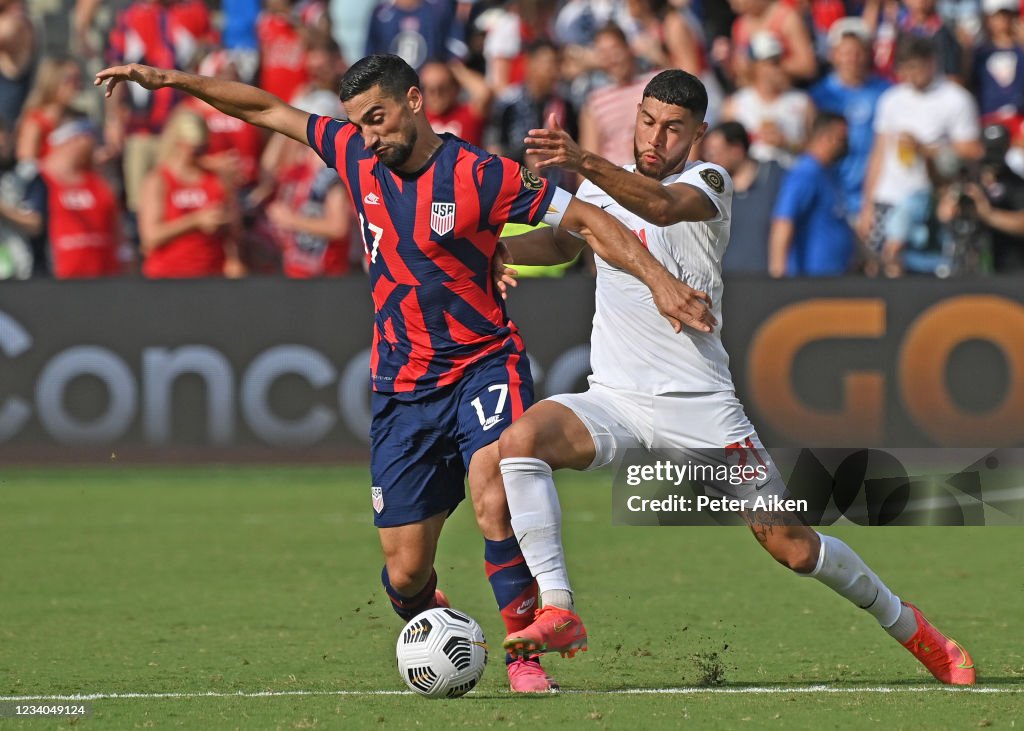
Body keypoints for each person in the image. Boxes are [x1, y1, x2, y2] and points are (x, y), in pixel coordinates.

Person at [95, 52, 715, 692]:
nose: (369, 136)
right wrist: (171, 80)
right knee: (404, 573)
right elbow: (264, 108)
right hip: (402, 386)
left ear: (415, 103)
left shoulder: (481, 174)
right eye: (358, 124)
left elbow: (585, 220)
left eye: (378, 119)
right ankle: (436, 627)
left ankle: (523, 656)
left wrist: (662, 283)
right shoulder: (353, 153)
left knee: (494, 484)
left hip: (483, 361)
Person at [494, 68, 976, 687]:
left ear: (696, 135)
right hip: (613, 398)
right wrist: (499, 252)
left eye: (672, 129)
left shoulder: (709, 181)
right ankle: (559, 609)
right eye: (647, 122)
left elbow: (662, 208)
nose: (655, 138)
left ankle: (914, 630)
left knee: (793, 547)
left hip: (700, 408)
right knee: (519, 443)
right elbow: (564, 247)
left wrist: (582, 160)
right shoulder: (606, 188)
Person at [859, 36, 981, 275]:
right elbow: (878, 153)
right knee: (880, 266)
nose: (909, 75)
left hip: (932, 199)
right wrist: (868, 204)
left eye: (914, 67)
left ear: (931, 63)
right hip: (890, 195)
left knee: (936, 268)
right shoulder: (892, 100)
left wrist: (925, 149)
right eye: (904, 68)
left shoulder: (955, 99)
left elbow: (971, 151)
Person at [137, 110, 244, 278]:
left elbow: (235, 231)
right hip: (167, 275)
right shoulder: (159, 180)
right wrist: (195, 221)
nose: (200, 155)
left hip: (211, 274)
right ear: (179, 145)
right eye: (195, 150)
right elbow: (150, 237)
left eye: (203, 149)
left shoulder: (216, 179)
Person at [810, 17, 890, 220]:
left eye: (858, 52)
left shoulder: (886, 93)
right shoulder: (818, 96)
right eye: (845, 52)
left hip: (875, 197)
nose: (852, 59)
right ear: (833, 55)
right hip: (830, 197)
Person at [768, 111, 854, 277]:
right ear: (824, 138)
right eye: (842, 139)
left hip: (835, 276)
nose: (846, 145)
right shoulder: (805, 173)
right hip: (811, 279)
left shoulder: (831, 174)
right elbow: (783, 222)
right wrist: (778, 276)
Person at [38, 117, 123, 279]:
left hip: (105, 279)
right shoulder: (39, 181)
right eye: (89, 138)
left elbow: (118, 230)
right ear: (73, 139)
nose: (93, 146)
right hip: (56, 280)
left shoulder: (99, 183)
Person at [722, 31, 814, 168]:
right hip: (753, 182)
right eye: (772, 62)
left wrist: (786, 143)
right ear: (755, 66)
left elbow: (815, 151)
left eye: (780, 60)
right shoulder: (735, 105)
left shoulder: (802, 102)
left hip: (790, 177)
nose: (779, 68)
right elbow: (725, 153)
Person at [701, 120, 783, 274]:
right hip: (725, 282)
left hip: (768, 280)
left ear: (736, 150)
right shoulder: (708, 189)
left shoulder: (776, 177)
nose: (709, 159)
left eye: (715, 152)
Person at [15, 56, 83, 164]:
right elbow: (26, 163)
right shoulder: (35, 121)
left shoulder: (78, 118)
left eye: (78, 79)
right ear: (53, 80)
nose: (77, 85)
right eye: (70, 79)